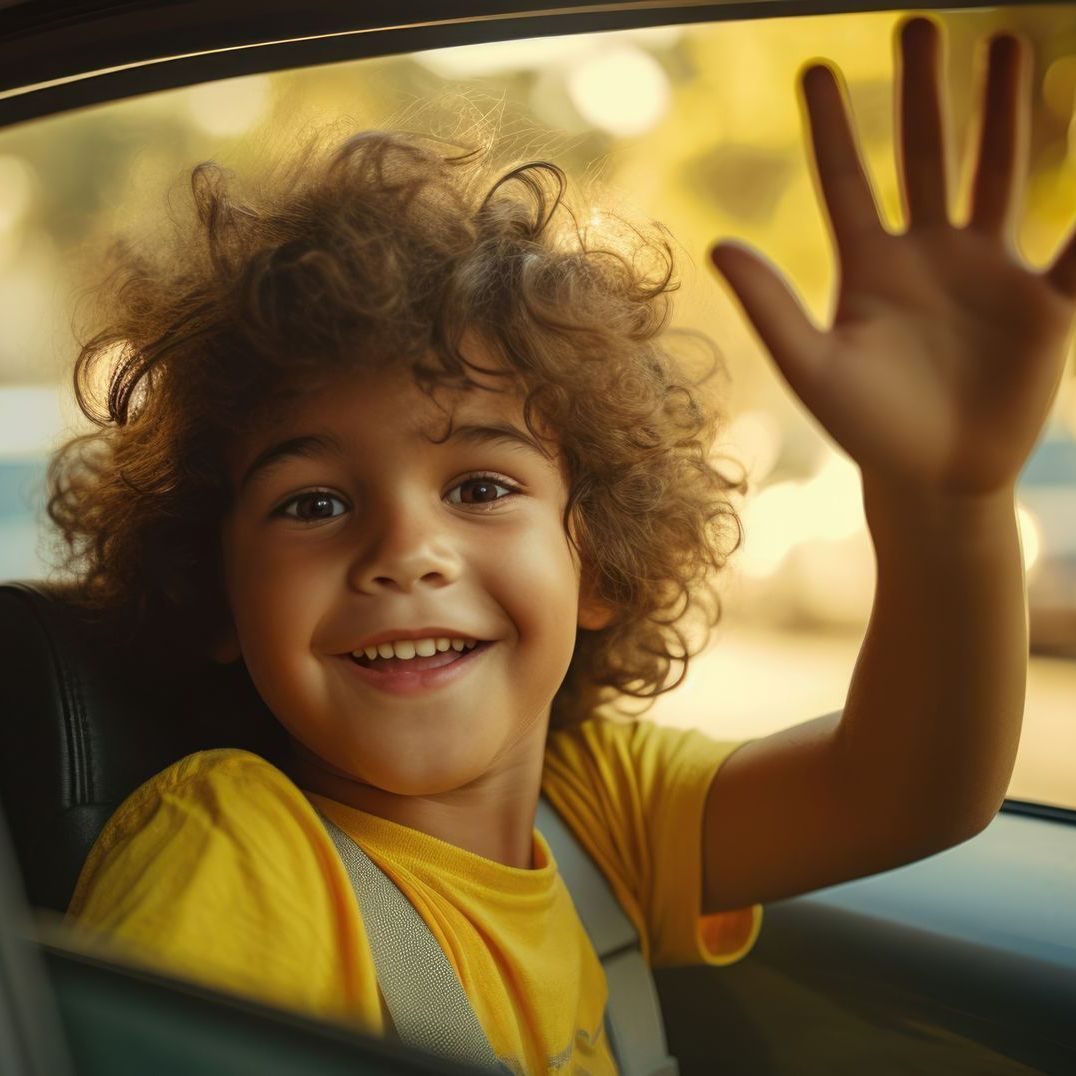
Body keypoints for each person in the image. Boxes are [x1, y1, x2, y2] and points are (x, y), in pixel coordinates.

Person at [52, 15, 1075, 1075]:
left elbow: (906, 789)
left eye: (482, 486)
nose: (406, 549)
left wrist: (946, 503)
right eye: (311, 503)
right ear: (216, 590)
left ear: (596, 558)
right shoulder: (234, 849)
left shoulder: (595, 808)